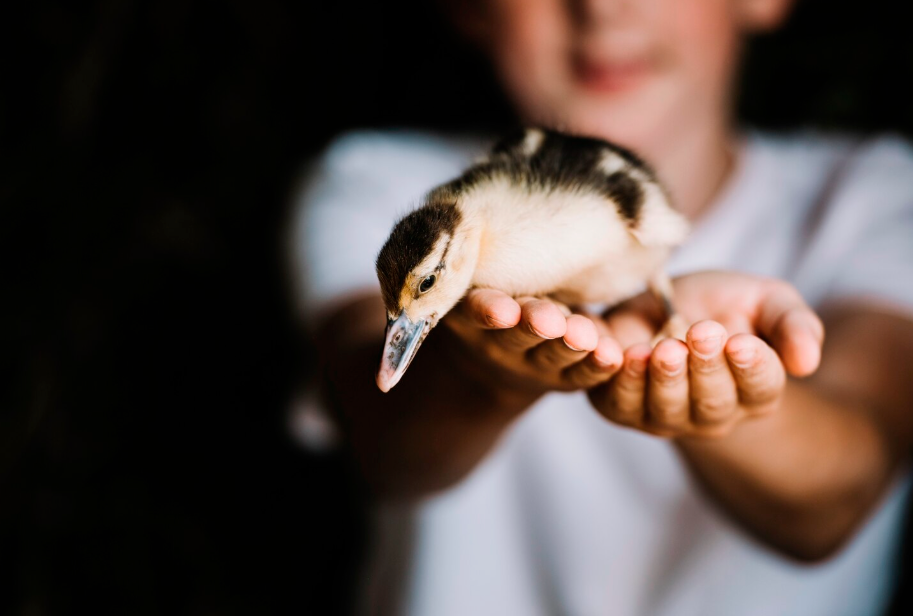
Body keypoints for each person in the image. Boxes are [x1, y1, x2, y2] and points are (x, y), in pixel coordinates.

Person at [292, 0, 913, 614]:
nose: (601, 9)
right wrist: (476, 371)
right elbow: (379, 448)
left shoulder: (878, 201)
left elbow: (839, 497)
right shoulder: (372, 184)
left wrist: (715, 381)